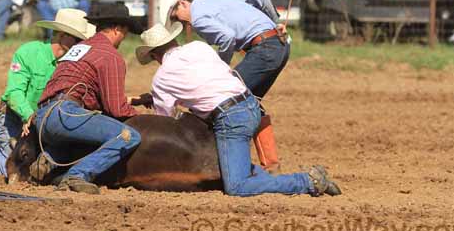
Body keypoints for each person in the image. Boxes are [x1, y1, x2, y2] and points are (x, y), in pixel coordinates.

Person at [135, 23, 341, 197]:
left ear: (154, 55)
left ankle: (307, 181)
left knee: (237, 186)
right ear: (174, 41)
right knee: (237, 165)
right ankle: (297, 179)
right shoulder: (198, 47)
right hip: (249, 103)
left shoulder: (161, 78)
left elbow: (165, 122)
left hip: (230, 117)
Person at [159, 0, 288, 174]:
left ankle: (217, 161)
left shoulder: (199, 19)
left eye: (176, 15)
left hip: (263, 51)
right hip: (279, 45)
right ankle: (271, 164)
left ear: (183, 2)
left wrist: (221, 68)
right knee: (250, 100)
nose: (179, 21)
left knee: (227, 98)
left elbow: (227, 37)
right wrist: (275, 23)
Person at [32, 4, 143, 194]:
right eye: (124, 33)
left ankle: (50, 159)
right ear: (117, 29)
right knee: (128, 136)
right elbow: (116, 109)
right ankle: (78, 175)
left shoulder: (80, 48)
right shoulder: (110, 56)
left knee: (86, 136)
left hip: (43, 116)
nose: (123, 39)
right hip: (66, 114)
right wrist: (140, 116)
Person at [0, 9, 96, 177]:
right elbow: (14, 92)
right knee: (19, 169)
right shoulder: (29, 52)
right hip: (13, 119)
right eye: (78, 39)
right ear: (61, 35)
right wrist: (29, 116)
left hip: (46, 126)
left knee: (41, 169)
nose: (81, 44)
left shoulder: (75, 63)